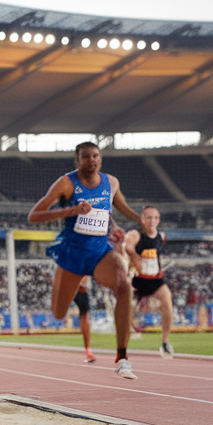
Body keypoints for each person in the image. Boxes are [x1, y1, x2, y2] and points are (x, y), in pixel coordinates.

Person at [28, 142, 143, 380]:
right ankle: (64, 282)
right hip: (72, 254)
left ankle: (122, 357)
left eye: (96, 156)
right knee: (59, 313)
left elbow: (117, 211)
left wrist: (138, 224)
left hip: (101, 252)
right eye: (86, 157)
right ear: (77, 160)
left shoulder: (110, 182)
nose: (92, 160)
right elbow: (34, 216)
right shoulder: (66, 183)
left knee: (123, 284)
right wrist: (71, 211)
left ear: (100, 159)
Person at [125, 206, 175, 358]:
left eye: (155, 218)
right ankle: (125, 339)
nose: (152, 221)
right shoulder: (136, 234)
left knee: (167, 301)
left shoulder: (162, 236)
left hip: (155, 279)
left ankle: (165, 343)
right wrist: (134, 258)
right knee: (126, 306)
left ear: (158, 220)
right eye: (148, 217)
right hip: (137, 279)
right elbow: (127, 247)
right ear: (142, 219)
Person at [74, 275, 95, 363]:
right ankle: (88, 350)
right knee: (84, 316)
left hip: (78, 289)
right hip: (77, 288)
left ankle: (88, 350)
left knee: (85, 316)